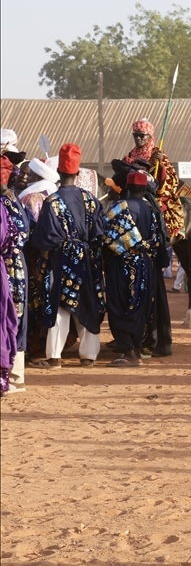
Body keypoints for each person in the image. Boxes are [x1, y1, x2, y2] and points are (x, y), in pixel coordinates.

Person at [29, 144, 105, 368]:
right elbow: (100, 234)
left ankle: (54, 357)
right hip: (87, 259)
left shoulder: (51, 202)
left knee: (60, 307)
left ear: (59, 174)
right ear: (78, 172)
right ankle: (89, 356)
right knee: (88, 304)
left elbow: (43, 239)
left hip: (60, 259)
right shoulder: (91, 201)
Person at [101, 170, 170, 366]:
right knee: (140, 306)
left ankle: (128, 352)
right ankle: (137, 350)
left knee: (119, 305)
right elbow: (159, 239)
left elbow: (106, 239)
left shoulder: (119, 207)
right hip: (145, 265)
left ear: (128, 187)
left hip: (122, 264)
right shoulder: (151, 209)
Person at [121, 119, 184, 240]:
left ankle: (160, 235)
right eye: (135, 135)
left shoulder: (157, 153)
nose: (138, 138)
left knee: (156, 209)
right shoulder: (132, 153)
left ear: (149, 136)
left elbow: (172, 178)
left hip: (151, 191)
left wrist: (161, 165)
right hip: (132, 190)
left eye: (141, 135)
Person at [1, 157, 30, 393]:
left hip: (8, 267)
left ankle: (12, 372)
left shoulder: (5, 202)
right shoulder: (14, 200)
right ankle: (15, 373)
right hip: (15, 265)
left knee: (10, 315)